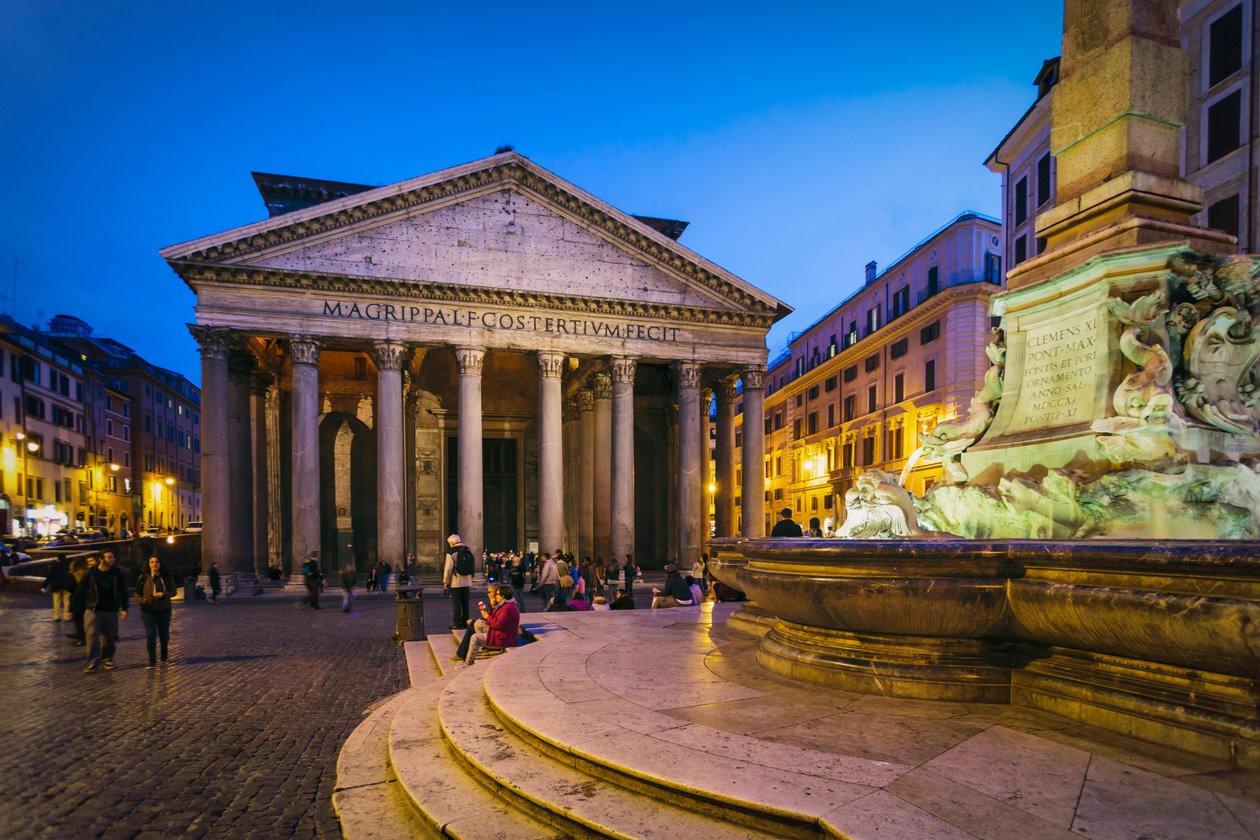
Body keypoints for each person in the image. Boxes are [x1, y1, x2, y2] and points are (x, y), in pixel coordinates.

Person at [76, 550, 128, 672]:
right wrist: (72, 609)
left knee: (109, 637)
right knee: (92, 635)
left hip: (110, 610)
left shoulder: (117, 573)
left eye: (113, 557)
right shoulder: (91, 573)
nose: (112, 559)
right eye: (109, 557)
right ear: (101, 559)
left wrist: (124, 608)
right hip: (93, 609)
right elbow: (80, 590)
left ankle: (107, 659)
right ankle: (93, 662)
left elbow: (123, 591)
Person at [451, 584, 520, 666]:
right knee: (478, 623)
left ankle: (467, 663)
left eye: (496, 594)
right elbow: (494, 618)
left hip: (503, 639)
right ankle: (482, 648)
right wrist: (491, 607)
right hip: (501, 634)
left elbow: (498, 624)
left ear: (503, 595)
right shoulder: (503, 605)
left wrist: (487, 617)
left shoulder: (507, 608)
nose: (495, 595)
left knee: (475, 637)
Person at [135, 555, 176, 668]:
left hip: (164, 609)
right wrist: (140, 600)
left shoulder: (166, 576)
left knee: (164, 634)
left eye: (157, 562)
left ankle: (164, 653)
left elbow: (173, 592)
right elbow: (136, 593)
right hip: (147, 610)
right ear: (148, 564)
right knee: (151, 633)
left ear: (160, 564)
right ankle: (152, 659)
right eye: (152, 562)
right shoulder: (143, 577)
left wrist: (163, 594)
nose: (154, 564)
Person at [444, 534, 473, 629]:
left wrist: (446, 582)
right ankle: (466, 621)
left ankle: (458, 623)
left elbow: (448, 568)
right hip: (467, 581)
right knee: (465, 603)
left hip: (456, 582)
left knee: (456, 603)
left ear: (452, 542)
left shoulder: (451, 552)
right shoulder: (467, 549)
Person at [65, 556, 91, 645]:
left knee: (79, 620)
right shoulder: (88, 574)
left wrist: (70, 608)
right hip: (87, 601)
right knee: (84, 621)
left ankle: (82, 638)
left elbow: (70, 589)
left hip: (78, 602)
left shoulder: (75, 576)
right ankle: (82, 636)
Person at [42, 557, 74, 622]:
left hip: (56, 586)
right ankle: (66, 616)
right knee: (67, 601)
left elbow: (49, 577)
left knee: (56, 601)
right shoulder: (68, 565)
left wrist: (44, 586)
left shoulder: (54, 566)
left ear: (58, 559)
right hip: (67, 586)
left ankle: (57, 617)